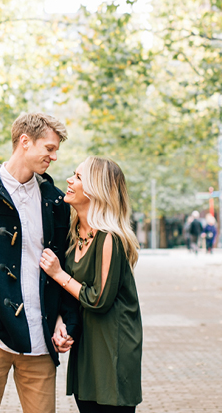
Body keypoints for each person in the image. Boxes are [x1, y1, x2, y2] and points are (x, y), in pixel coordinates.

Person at [0, 112, 79, 413]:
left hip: (41, 338)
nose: (54, 157)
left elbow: (65, 266)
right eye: (49, 148)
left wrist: (63, 319)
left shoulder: (56, 201)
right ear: (25, 142)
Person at [40, 156, 143, 413]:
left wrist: (57, 273)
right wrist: (61, 322)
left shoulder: (110, 238)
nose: (69, 180)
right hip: (86, 344)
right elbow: (71, 296)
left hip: (113, 348)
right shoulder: (75, 234)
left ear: (96, 189)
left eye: (77, 177)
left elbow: (98, 299)